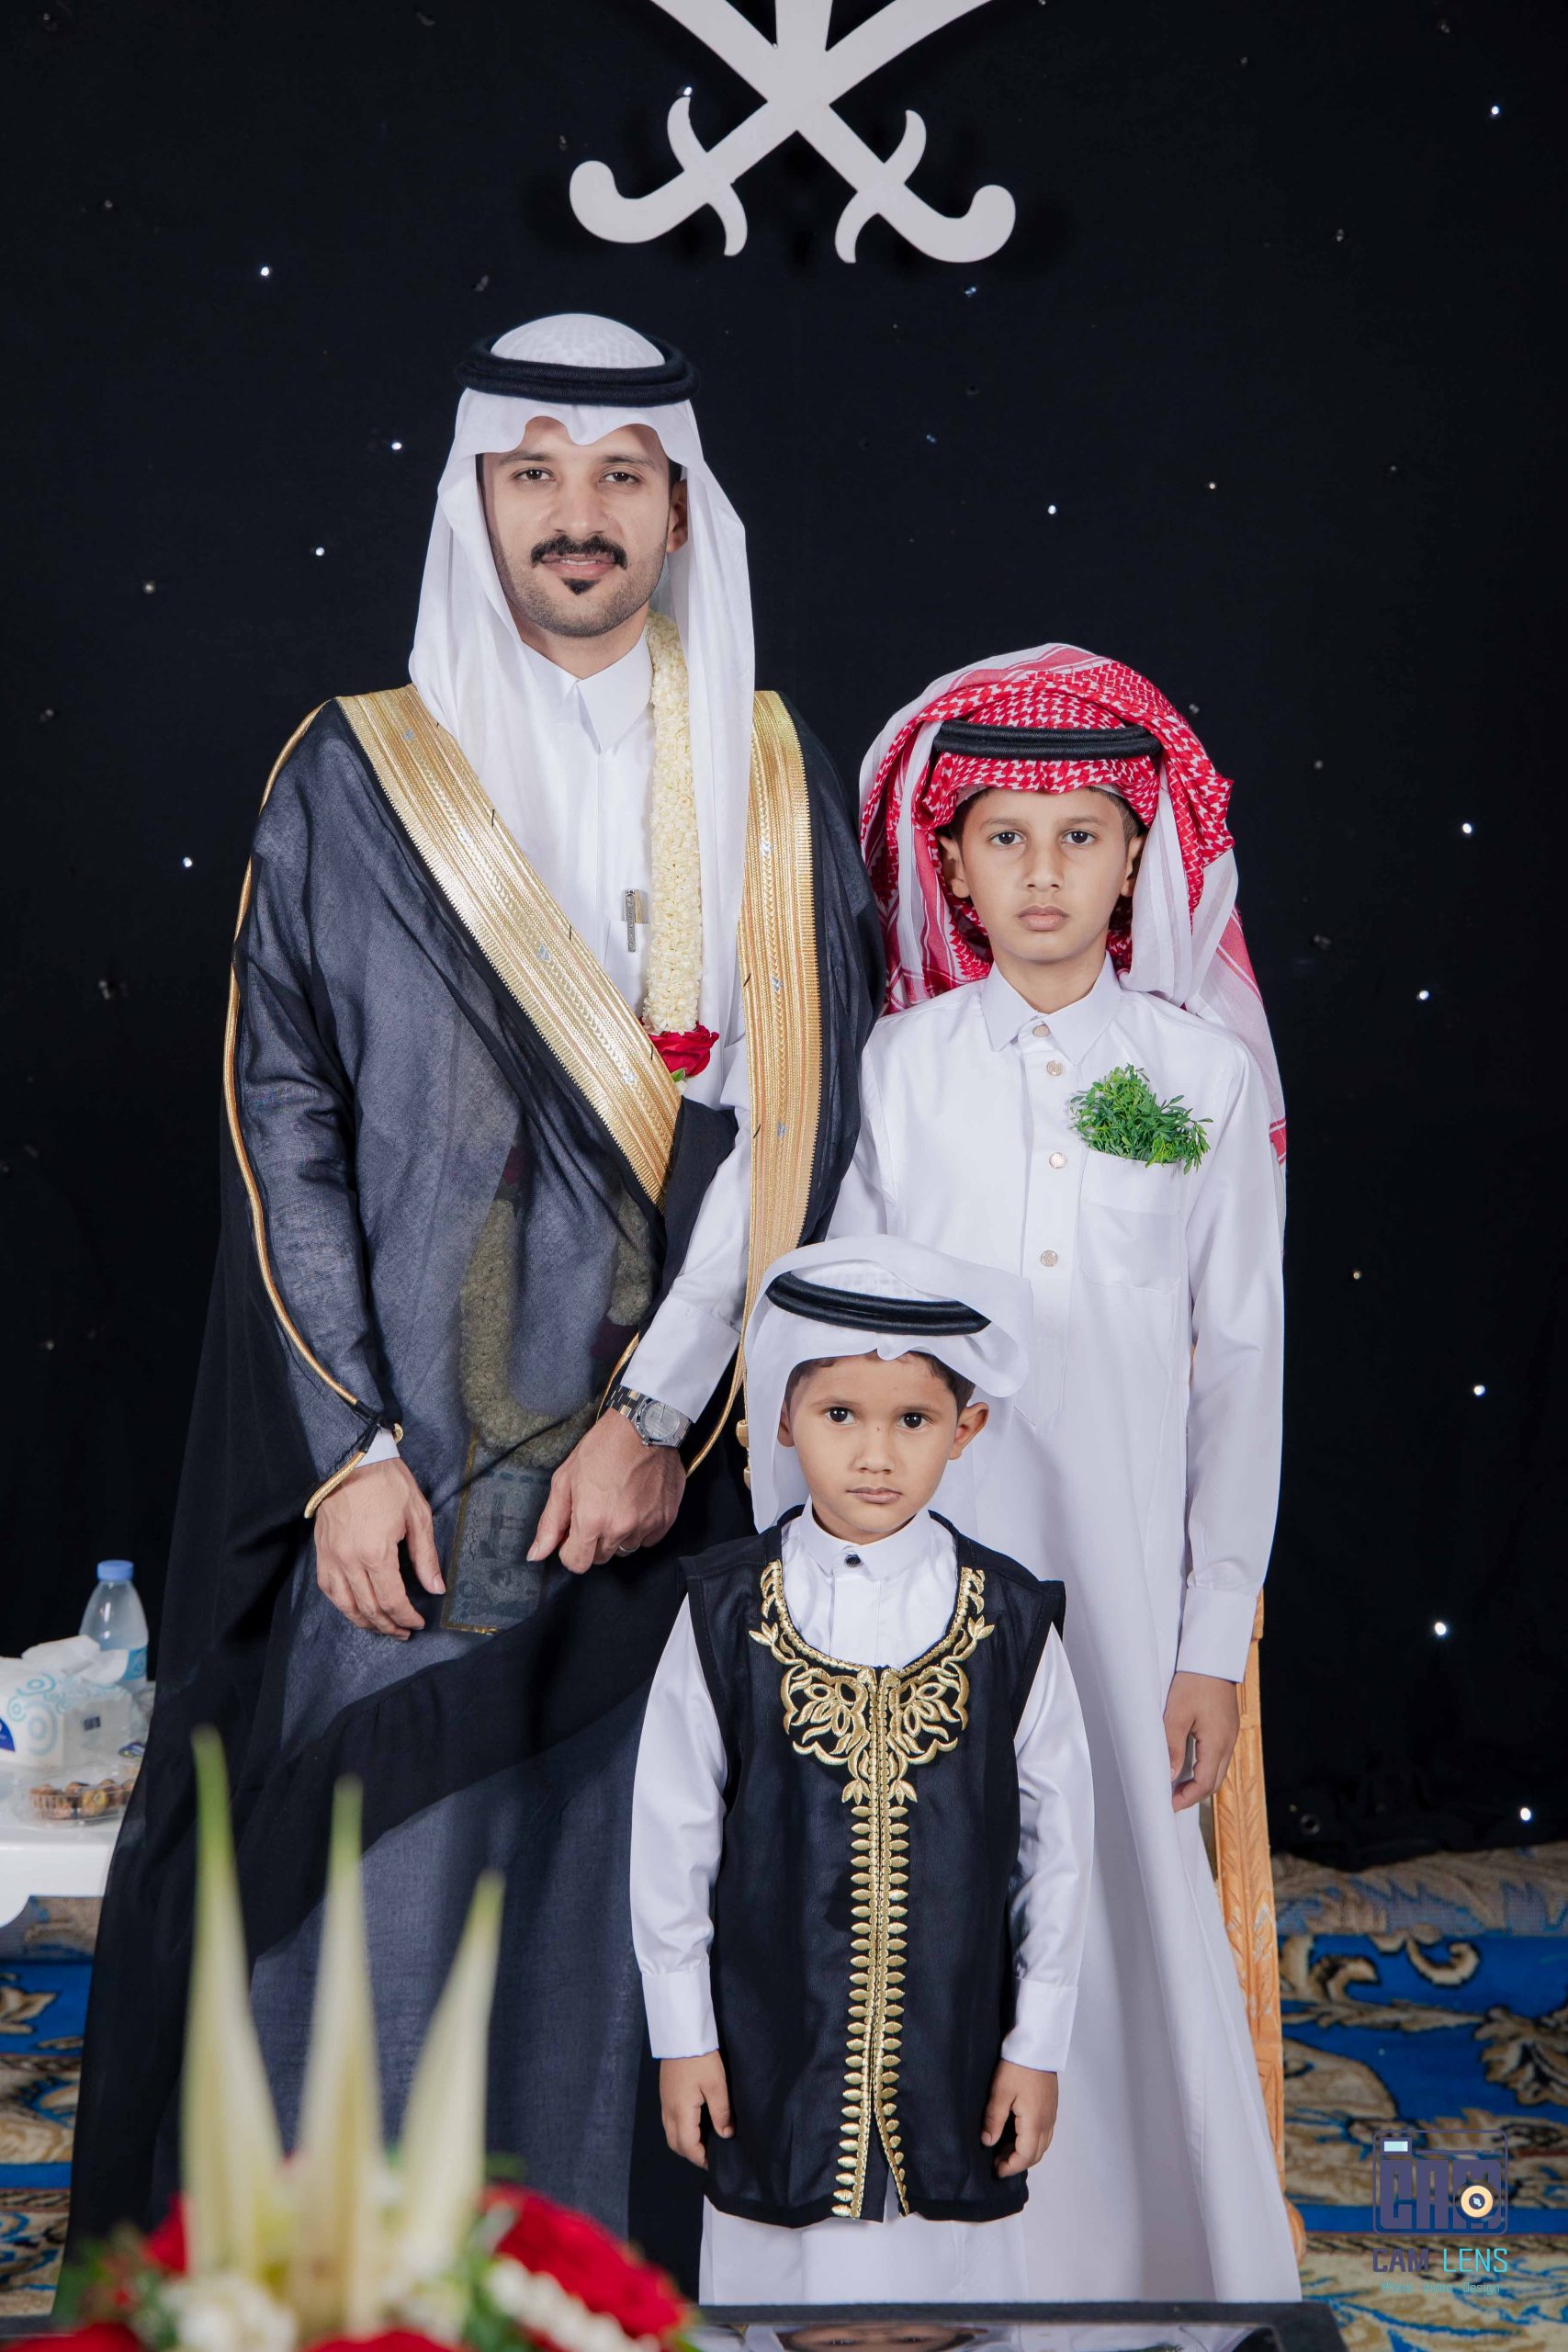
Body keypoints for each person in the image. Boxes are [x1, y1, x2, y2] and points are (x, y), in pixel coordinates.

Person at [69, 314, 880, 2280]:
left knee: (624, 1877)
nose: (574, 516)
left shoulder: (772, 776)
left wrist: (662, 1416)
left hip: (655, 1454)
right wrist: (347, 1451)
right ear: (476, 502)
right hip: (403, 1459)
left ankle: (583, 2291)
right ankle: (330, 2291)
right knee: (367, 1876)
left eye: (617, 477)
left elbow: (800, 1116)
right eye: (533, 475)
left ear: (678, 511)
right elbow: (284, 1120)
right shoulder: (351, 772)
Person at [838, 643, 1298, 2300]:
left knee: (1114, 1887)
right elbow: (845, 1342)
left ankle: (1141, 2265)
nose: (1042, 873)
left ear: (1133, 862)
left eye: (1079, 837)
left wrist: (1206, 1636)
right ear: (952, 869)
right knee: (934, 1889)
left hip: (1119, 1582)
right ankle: (920, 2275)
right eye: (1005, 838)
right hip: (925, 1573)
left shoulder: (1196, 1079)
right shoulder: (898, 1067)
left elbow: (1238, 1369)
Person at [630, 1238, 1095, 2301]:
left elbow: (1059, 1854)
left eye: (913, 1420)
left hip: (959, 2060)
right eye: (841, 1414)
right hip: (767, 2061)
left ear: (966, 1430)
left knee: (952, 2303)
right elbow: (671, 1836)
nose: (876, 1454)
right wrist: (682, 2036)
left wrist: (1038, 2045)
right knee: (773, 2295)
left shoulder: (1013, 1620)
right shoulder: (724, 1611)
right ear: (782, 1421)